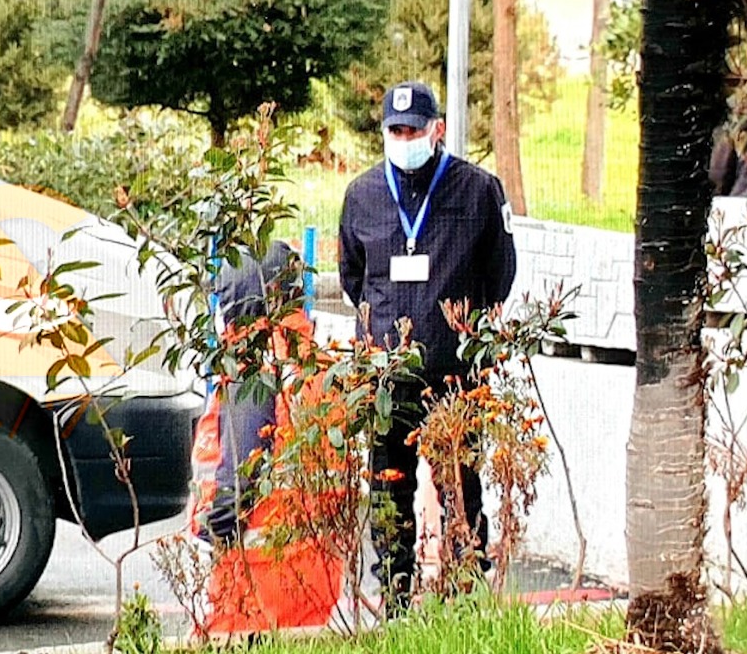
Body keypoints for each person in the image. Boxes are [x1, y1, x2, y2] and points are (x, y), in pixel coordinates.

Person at [338, 81, 517, 614]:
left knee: (461, 484)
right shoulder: (363, 194)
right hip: (388, 379)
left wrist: (459, 329)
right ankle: (394, 602)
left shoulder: (478, 190)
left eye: (413, 129)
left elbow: (499, 274)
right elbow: (353, 276)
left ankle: (465, 598)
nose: (404, 138)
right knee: (389, 490)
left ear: (436, 129)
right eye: (395, 130)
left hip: (455, 377)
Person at [204, 240, 305, 542]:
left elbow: (237, 482)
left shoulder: (252, 367)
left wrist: (214, 537)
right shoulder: (311, 359)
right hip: (312, 559)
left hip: (258, 562)